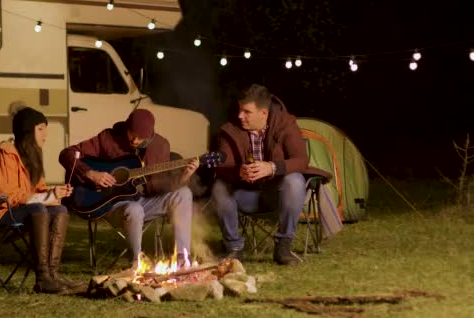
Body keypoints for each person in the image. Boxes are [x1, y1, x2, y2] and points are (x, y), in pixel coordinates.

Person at [59, 109, 199, 266]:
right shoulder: (108, 138)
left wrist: (184, 176)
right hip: (113, 204)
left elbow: (162, 186)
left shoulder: (160, 145)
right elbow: (67, 154)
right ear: (126, 127)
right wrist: (90, 173)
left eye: (141, 138)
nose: (135, 140)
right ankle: (138, 261)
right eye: (132, 134)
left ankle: (182, 257)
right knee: (134, 209)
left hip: (146, 201)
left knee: (184, 193)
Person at [0, 105, 82, 293]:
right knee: (38, 209)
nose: (45, 135)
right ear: (28, 131)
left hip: (16, 214)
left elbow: (40, 191)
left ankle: (53, 275)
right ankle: (42, 278)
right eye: (41, 129)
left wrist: (55, 193)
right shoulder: (3, 155)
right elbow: (4, 197)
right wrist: (46, 197)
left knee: (60, 210)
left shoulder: (30, 159)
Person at [212, 84, 315, 266]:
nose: (240, 116)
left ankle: (283, 247)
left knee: (295, 181)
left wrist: (272, 167)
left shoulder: (285, 124)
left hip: (276, 194)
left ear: (264, 113)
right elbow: (222, 166)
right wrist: (239, 171)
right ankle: (234, 248)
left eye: (246, 112)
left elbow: (301, 160)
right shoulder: (230, 129)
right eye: (239, 110)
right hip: (245, 194)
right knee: (220, 187)